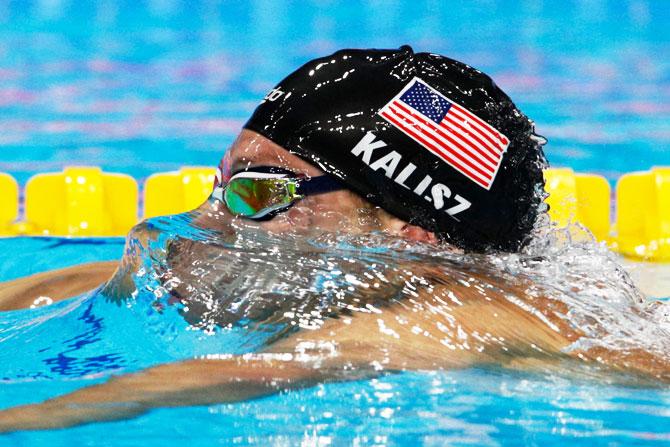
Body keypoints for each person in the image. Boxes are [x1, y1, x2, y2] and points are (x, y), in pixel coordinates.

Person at [0, 47, 666, 432]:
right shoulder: (367, 276)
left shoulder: (459, 314)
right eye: (225, 182)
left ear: (416, 235)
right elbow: (99, 278)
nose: (213, 218)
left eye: (261, 191)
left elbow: (246, 373)